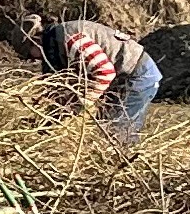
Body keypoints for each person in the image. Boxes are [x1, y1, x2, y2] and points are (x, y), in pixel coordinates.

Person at [29, 10, 162, 146]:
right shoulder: (55, 44)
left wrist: (82, 104)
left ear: (35, 40)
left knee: (116, 134)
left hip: (138, 75)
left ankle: (121, 162)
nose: (34, 59)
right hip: (124, 76)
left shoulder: (71, 40)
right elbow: (61, 88)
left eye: (29, 53)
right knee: (105, 125)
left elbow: (105, 73)